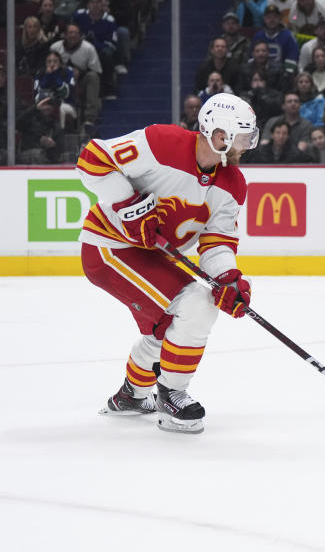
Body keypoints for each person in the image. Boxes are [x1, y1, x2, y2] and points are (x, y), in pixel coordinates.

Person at [78, 93, 259, 434]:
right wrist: (130, 206)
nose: (247, 146)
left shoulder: (233, 184)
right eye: (242, 137)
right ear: (218, 133)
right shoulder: (162, 142)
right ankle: (172, 393)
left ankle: (131, 395)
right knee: (196, 305)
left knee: (170, 328)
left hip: (152, 255)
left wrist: (229, 279)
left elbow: (217, 241)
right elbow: (92, 160)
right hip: (109, 247)